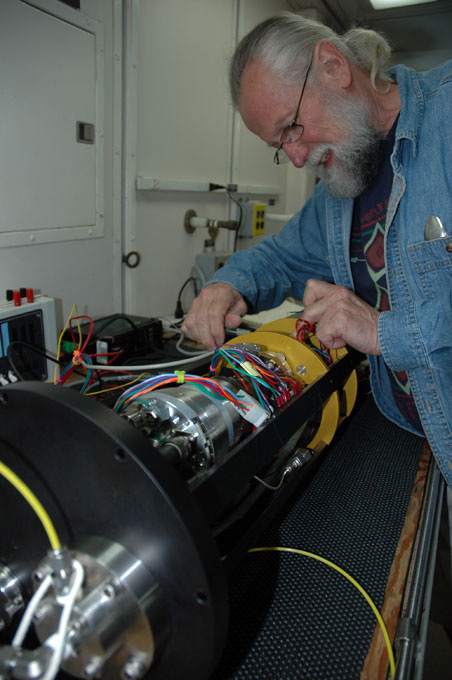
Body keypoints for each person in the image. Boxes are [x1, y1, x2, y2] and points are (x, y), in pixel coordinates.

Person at [182, 12, 452, 486]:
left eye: (292, 127)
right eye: (278, 145)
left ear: (333, 67)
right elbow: (280, 257)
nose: (298, 157)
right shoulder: (339, 186)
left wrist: (385, 332)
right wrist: (227, 285)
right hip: (412, 436)